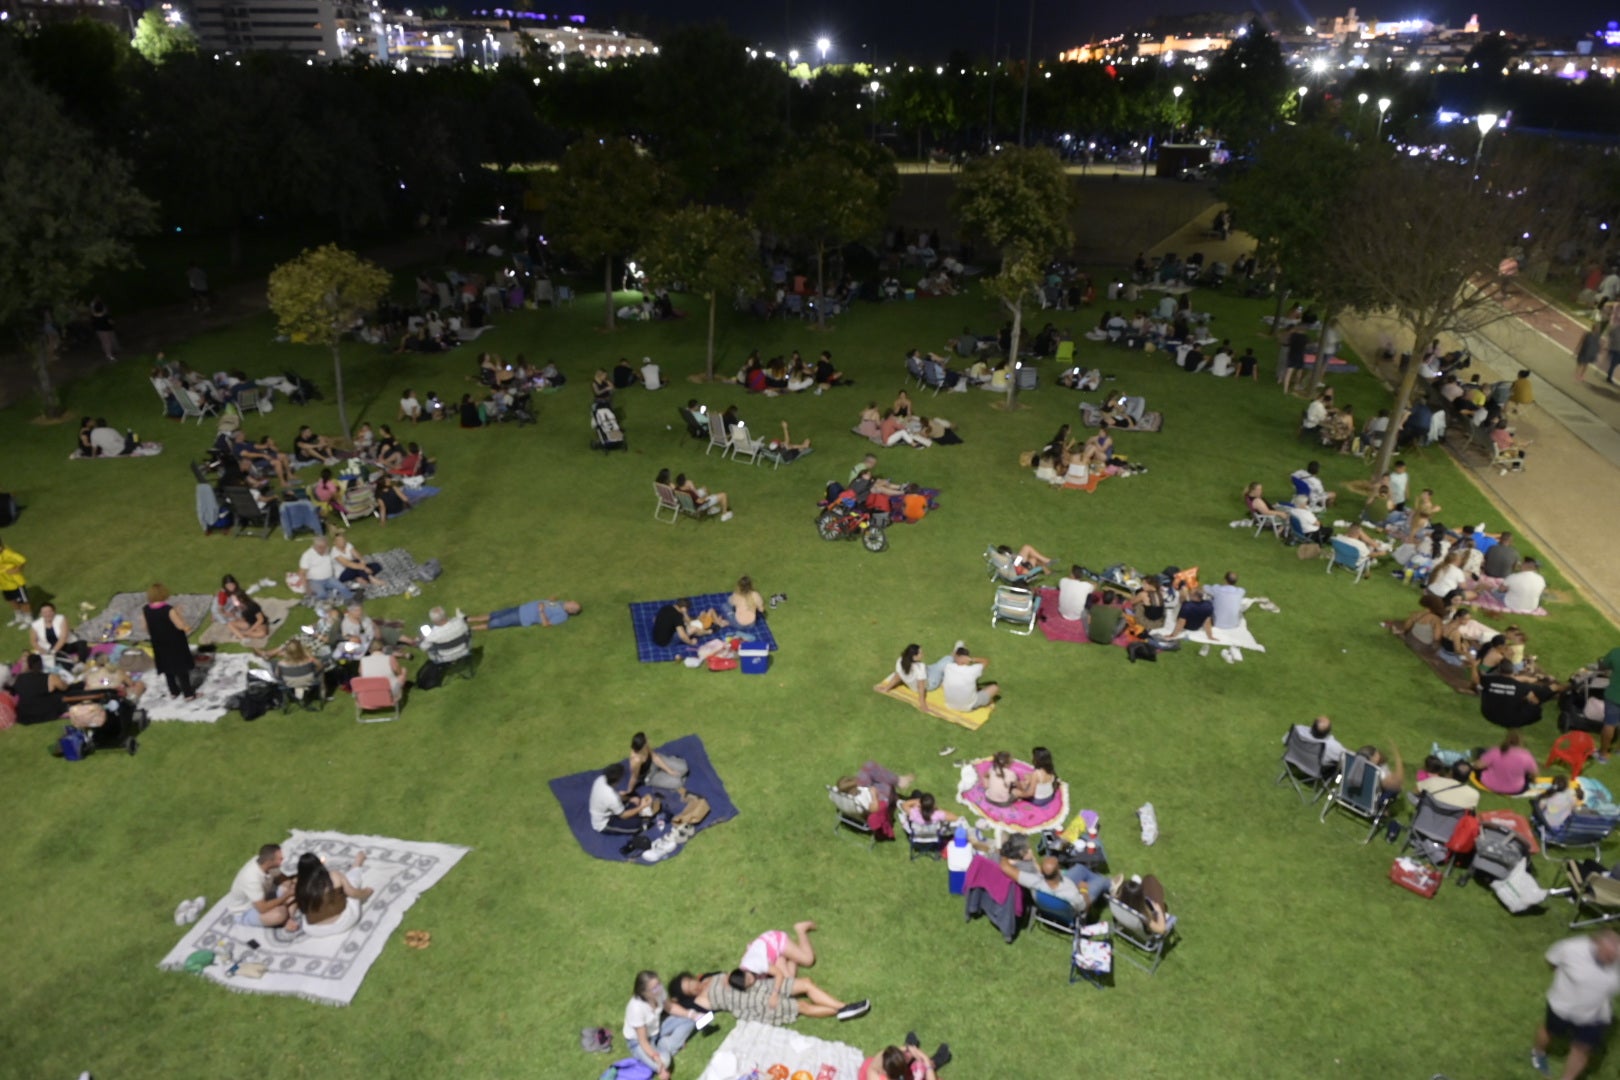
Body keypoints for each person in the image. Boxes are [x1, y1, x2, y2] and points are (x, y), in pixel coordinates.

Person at [1531, 931, 1620, 1079]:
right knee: (1550, 1030)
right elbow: (1552, 961)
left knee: (1582, 1048)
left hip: (1596, 1015)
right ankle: (1538, 1052)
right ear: (1596, 945)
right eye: (1607, 955)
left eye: (1614, 957)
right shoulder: (1571, 948)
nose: (1611, 961)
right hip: (1563, 1007)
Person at [733, 921, 825, 1011]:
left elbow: (778, 974)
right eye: (749, 984)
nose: (752, 981)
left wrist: (775, 994)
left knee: (808, 960)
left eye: (749, 978)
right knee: (789, 983)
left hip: (774, 942)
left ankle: (800, 929)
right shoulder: (743, 972)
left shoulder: (755, 964)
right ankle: (790, 958)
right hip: (772, 958)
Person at [624, 971, 693, 1080]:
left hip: (657, 1028)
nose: (660, 989)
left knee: (690, 1021)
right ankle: (669, 1045)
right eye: (655, 988)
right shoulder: (636, 1008)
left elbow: (670, 1008)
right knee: (665, 1062)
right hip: (640, 1042)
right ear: (644, 992)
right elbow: (643, 1041)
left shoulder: (659, 991)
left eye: (659, 984)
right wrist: (657, 1060)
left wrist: (692, 1014)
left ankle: (666, 1044)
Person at [293, 851, 373, 937]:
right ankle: (357, 863)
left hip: (315, 931)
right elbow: (353, 893)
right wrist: (366, 892)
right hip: (345, 922)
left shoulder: (299, 886)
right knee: (351, 882)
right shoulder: (334, 875)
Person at [224, 843, 298, 930]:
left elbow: (281, 877)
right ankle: (285, 918)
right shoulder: (251, 879)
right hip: (247, 910)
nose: (283, 860)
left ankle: (288, 918)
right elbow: (262, 908)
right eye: (280, 859)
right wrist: (287, 895)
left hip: (264, 897)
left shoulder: (267, 864)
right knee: (280, 913)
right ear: (269, 861)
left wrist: (293, 882)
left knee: (295, 888)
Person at [142, 583, 196, 699]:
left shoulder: (146, 609)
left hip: (158, 643)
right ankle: (188, 694)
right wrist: (180, 615)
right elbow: (180, 626)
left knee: (167, 669)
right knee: (181, 668)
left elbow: (146, 628)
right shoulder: (168, 610)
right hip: (174, 643)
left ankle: (174, 692)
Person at [590, 762, 660, 835]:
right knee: (636, 825)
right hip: (604, 823)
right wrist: (642, 806)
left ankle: (639, 810)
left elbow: (613, 796)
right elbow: (623, 815)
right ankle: (641, 823)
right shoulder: (611, 797)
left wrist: (630, 799)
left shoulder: (600, 779)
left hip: (608, 808)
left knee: (634, 798)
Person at [1476, 730, 1539, 795]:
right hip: (1515, 789)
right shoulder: (1526, 755)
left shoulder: (1496, 751)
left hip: (1489, 783)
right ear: (1521, 742)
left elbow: (1478, 765)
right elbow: (1534, 774)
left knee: (1481, 752)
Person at [874, 644, 932, 714]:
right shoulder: (920, 667)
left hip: (913, 683)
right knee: (943, 662)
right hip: (930, 684)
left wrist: (886, 689)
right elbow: (921, 686)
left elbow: (897, 676)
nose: (923, 654)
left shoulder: (900, 660)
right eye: (921, 653)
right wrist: (923, 705)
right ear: (914, 657)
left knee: (931, 667)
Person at [28, 602, 87, 670]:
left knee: (82, 643)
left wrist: (54, 651)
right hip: (48, 648)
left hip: (65, 645)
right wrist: (42, 650)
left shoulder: (61, 619)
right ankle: (69, 667)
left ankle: (81, 662)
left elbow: (63, 637)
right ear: (41, 614)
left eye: (49, 611)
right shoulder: (35, 625)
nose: (47, 614)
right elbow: (33, 641)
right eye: (44, 612)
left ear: (54, 612)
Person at [650, 598, 729, 648]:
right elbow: (682, 635)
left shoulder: (666, 608)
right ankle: (712, 630)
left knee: (685, 625)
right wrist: (691, 642)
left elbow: (655, 619)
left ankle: (717, 624)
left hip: (656, 638)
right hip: (666, 643)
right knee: (692, 629)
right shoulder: (677, 616)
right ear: (684, 608)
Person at [296, 537, 355, 604]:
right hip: (315, 581)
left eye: (327, 546)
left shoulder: (328, 550)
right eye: (324, 547)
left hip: (329, 578)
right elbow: (302, 573)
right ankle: (327, 601)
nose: (327, 549)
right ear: (318, 547)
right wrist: (307, 588)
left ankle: (351, 601)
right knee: (322, 595)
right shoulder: (307, 555)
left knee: (343, 588)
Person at [939, 646, 997, 712]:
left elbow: (953, 656)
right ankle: (986, 703)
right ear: (967, 658)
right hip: (967, 707)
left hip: (950, 704)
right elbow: (986, 661)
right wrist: (972, 659)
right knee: (994, 687)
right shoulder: (973, 670)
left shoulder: (948, 666)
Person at [467, 598, 580, 631]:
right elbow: (549, 603)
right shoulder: (561, 603)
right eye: (573, 602)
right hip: (522, 608)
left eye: (573, 605)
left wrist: (541, 611)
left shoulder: (562, 616)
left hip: (523, 617)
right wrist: (549, 600)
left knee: (496, 622)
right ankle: (467, 619)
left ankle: (470, 629)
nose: (571, 601)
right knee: (494, 614)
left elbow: (546, 624)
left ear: (571, 611)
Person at [860, 1040, 950, 1080]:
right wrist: (926, 1061)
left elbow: (884, 1054)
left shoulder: (875, 1068)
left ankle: (910, 1044)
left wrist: (908, 1048)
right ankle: (934, 1062)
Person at [1415, 760, 1480, 810]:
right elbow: (1470, 815)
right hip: (1451, 827)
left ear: (1451, 771)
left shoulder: (1433, 781)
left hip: (1423, 821)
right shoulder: (1474, 794)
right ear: (1468, 777)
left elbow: (1415, 793)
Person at [0, 537, 30, 628]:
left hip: (16, 582)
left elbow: (22, 560)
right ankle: (19, 617)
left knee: (23, 601)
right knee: (11, 600)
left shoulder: (7, 553)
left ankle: (28, 619)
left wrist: (18, 569)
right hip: (4, 583)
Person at [988, 544, 1052, 582]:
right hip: (1018, 568)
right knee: (1027, 548)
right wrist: (1014, 556)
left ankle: (1047, 570)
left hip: (1019, 566)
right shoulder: (1006, 559)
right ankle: (1047, 561)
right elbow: (1016, 565)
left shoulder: (999, 561)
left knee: (1034, 558)